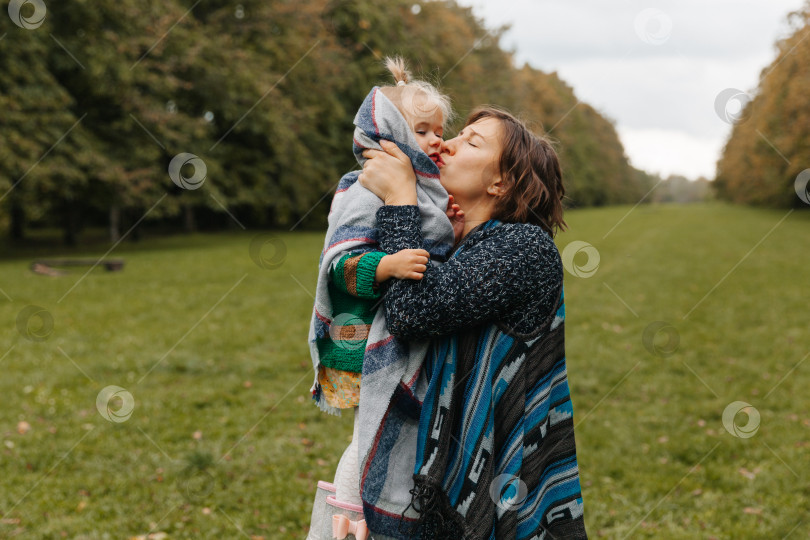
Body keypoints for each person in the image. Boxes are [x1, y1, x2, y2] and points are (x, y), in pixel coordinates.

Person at [357, 107, 588, 538]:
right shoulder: (466, 243)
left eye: (472, 141)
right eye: (457, 133)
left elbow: (412, 313)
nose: (447, 143)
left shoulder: (525, 247)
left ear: (500, 182)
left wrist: (402, 199)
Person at [306, 58, 457, 539]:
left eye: (440, 130)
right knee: (368, 432)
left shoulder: (430, 190)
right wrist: (385, 266)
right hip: (373, 341)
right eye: (424, 130)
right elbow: (341, 263)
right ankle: (349, 516)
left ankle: (393, 514)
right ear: (389, 132)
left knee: (405, 435)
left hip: (414, 332)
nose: (438, 140)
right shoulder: (366, 188)